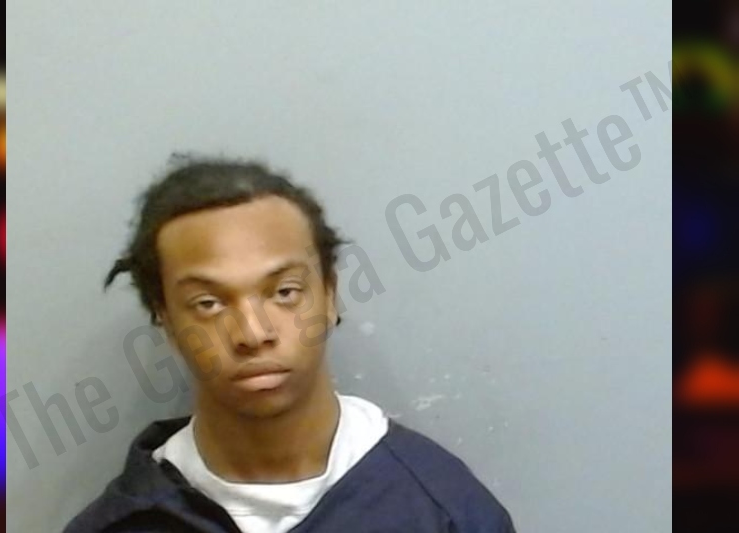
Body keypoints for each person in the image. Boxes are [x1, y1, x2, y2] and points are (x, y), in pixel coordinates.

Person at [64, 156, 516, 533]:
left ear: (330, 294)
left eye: (284, 292)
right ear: (164, 318)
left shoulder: (445, 512)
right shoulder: (121, 524)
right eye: (208, 303)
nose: (253, 333)